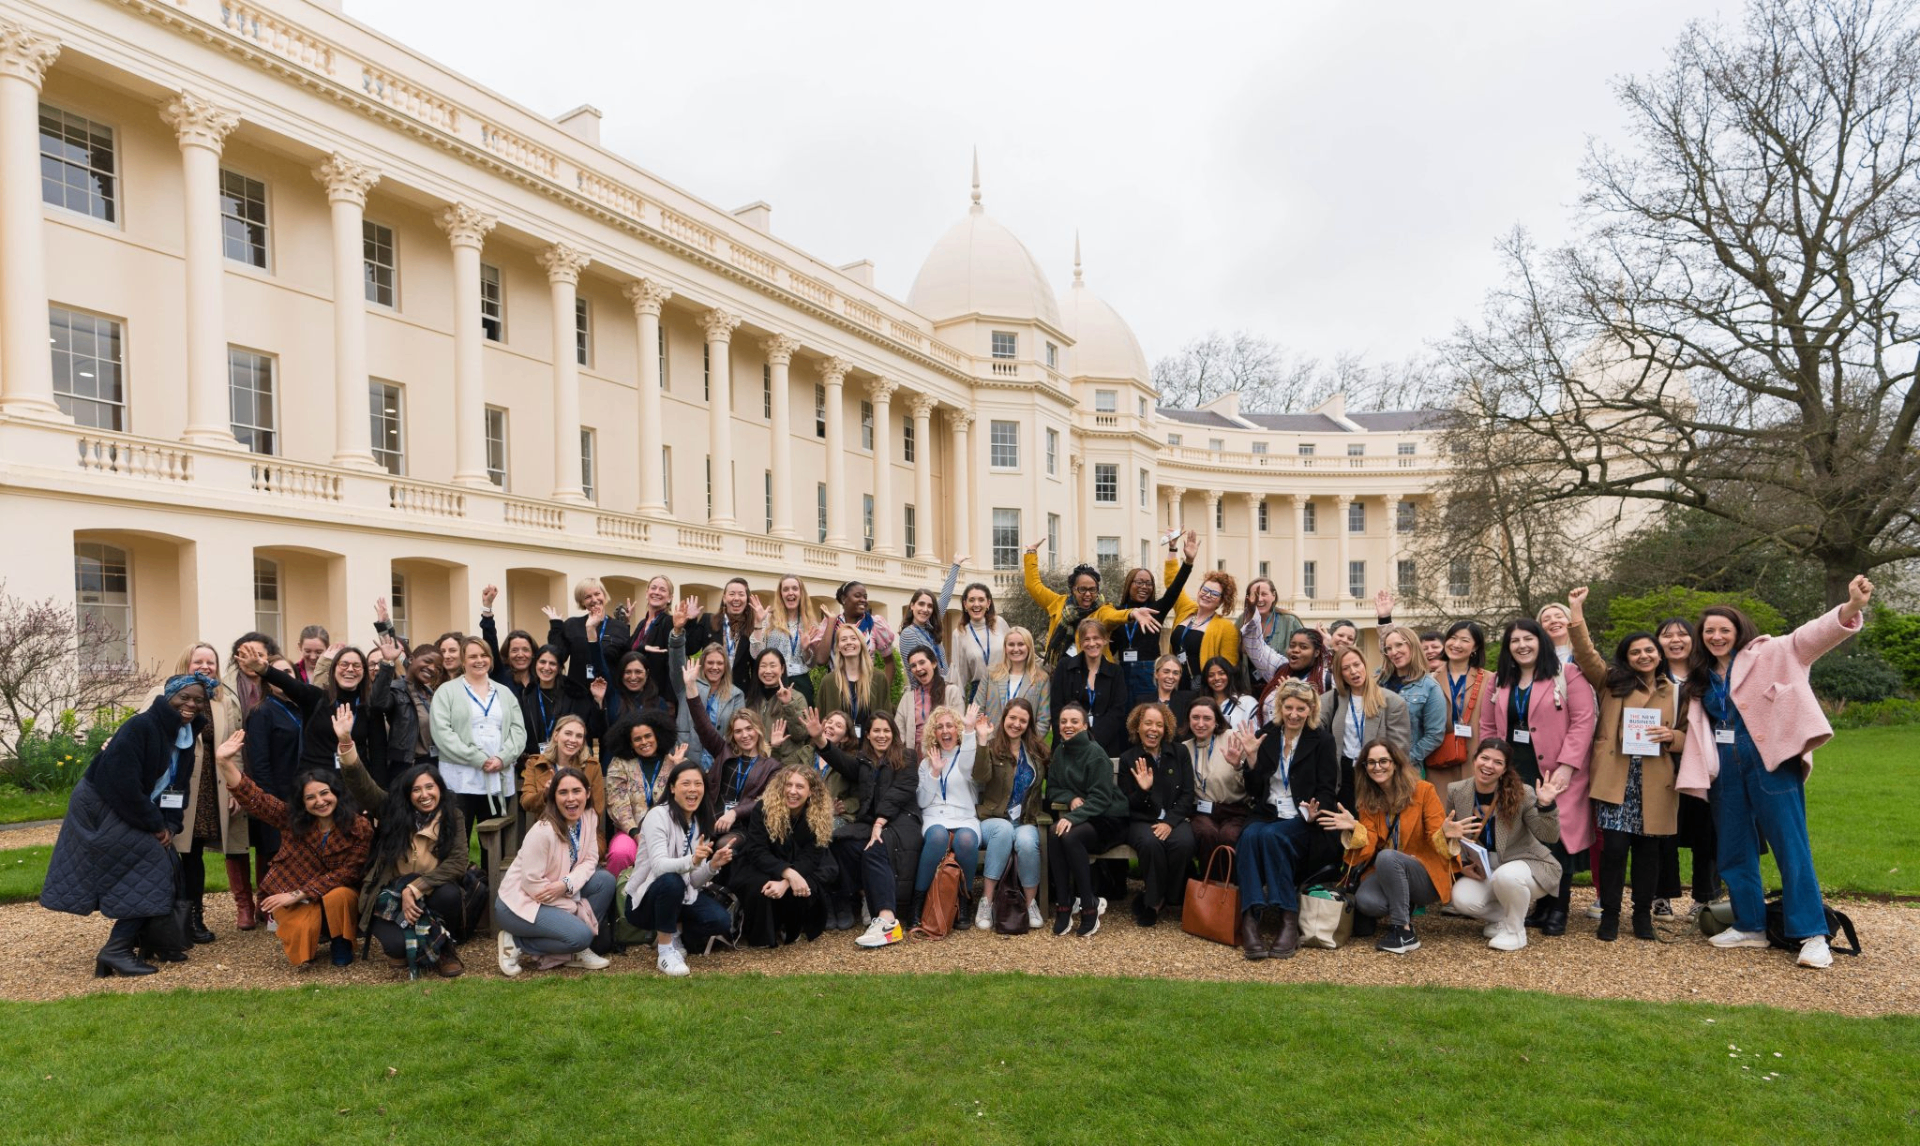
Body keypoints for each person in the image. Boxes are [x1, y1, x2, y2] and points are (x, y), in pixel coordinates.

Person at [1680, 575, 1873, 970]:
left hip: (1771, 761)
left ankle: (1812, 934)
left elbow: (1812, 637)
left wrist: (1851, 607)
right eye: (1710, 631)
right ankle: (1750, 925)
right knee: (1733, 851)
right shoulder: (1700, 678)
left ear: (1738, 631)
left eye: (1724, 629)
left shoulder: (1771, 652)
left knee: (1790, 846)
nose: (1716, 636)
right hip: (1725, 768)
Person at [44, 675, 236, 976]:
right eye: (184, 697)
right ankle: (116, 949)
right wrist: (154, 825)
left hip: (135, 806)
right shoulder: (141, 727)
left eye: (199, 700)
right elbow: (122, 784)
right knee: (151, 863)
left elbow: (178, 787)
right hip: (101, 804)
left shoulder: (185, 736)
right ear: (169, 696)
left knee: (168, 860)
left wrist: (171, 826)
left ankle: (154, 942)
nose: (191, 704)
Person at [1567, 586, 1680, 941]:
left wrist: (1671, 737)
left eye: (1649, 650)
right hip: (1617, 779)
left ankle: (1642, 917)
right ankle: (1610, 916)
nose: (1644, 656)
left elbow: (1692, 735)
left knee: (1649, 854)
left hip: (1655, 781)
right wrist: (1576, 611)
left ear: (1659, 655)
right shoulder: (1611, 682)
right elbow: (1585, 654)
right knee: (1614, 850)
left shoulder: (1676, 692)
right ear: (1626, 658)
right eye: (1636, 652)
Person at [218, 724, 372, 968]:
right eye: (310, 797)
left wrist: (297, 894)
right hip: (295, 890)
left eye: (324, 793)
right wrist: (225, 763)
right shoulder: (291, 819)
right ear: (302, 802)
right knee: (301, 945)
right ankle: (309, 943)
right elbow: (257, 800)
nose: (320, 801)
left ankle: (340, 940)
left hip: (330, 895)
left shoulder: (358, 826)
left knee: (340, 894)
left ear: (336, 793)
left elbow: (349, 872)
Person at [1479, 618, 1595, 937]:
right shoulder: (1499, 681)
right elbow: (1488, 727)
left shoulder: (1566, 674)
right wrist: (1491, 763)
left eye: (1528, 638)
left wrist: (1568, 766)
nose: (1522, 645)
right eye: (1514, 641)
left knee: (1555, 839)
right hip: (1515, 771)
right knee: (1526, 839)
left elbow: (1584, 721)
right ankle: (1539, 907)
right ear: (1507, 647)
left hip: (1555, 771)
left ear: (1541, 641)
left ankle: (1558, 909)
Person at [336, 746, 473, 978]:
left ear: (439, 789)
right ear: (408, 794)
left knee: (449, 894)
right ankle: (425, 944)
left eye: (430, 787)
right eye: (416, 790)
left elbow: (458, 862)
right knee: (397, 948)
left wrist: (415, 887)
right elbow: (363, 787)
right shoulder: (392, 810)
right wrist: (347, 745)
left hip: (433, 889)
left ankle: (444, 949)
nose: (425, 795)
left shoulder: (453, 816)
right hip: (391, 892)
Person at [1317, 739, 1454, 955]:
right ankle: (1403, 906)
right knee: (1366, 901)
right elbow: (1369, 842)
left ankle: (1403, 931)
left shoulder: (1423, 790)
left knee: (1388, 857)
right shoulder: (1368, 799)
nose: (1377, 767)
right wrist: (1355, 827)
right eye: (1370, 762)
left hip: (1423, 872)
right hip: (1388, 872)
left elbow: (1435, 834)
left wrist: (1446, 834)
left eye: (1383, 761)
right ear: (1364, 767)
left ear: (1396, 763)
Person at [1233, 679, 1338, 960]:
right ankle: (1251, 918)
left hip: (1303, 817)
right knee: (1249, 836)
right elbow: (1255, 790)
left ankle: (1287, 918)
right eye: (1288, 707)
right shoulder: (1268, 734)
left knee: (1270, 837)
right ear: (1280, 707)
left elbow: (1328, 788)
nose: (1293, 714)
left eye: (1300, 708)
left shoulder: (1322, 740)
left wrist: (1317, 810)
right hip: (1268, 812)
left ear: (1311, 709)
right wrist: (1252, 760)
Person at [1442, 738, 1567, 951]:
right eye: (1484, 758)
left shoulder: (1523, 793)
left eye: (1498, 762)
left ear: (1505, 769)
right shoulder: (1457, 791)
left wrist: (1546, 805)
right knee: (1462, 899)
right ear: (1475, 760)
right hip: (1485, 866)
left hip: (1528, 865)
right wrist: (1461, 864)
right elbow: (1451, 836)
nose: (1489, 765)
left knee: (1507, 876)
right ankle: (1504, 919)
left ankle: (1515, 932)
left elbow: (1549, 835)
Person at [810, 709, 920, 945]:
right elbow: (840, 762)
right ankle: (857, 897)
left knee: (874, 849)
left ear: (894, 733)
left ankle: (887, 921)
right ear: (868, 735)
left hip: (902, 821)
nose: (882, 735)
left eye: (886, 730)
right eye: (876, 731)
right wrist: (820, 739)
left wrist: (880, 822)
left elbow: (900, 791)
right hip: (871, 822)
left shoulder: (907, 756)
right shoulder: (864, 761)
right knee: (840, 842)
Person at [494, 767, 614, 975]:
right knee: (581, 936)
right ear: (553, 797)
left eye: (576, 791)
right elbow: (532, 885)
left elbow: (590, 859)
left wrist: (566, 885)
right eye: (563, 792)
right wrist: (573, 906)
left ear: (587, 792)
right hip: (520, 903)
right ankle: (516, 941)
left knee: (605, 881)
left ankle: (571, 949)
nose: (571, 799)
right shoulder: (544, 830)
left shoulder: (589, 817)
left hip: (556, 890)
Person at [161, 643, 243, 945]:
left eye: (211, 662)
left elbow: (235, 748)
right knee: (169, 854)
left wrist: (237, 787)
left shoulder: (222, 701)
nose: (205, 666)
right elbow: (142, 728)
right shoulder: (164, 692)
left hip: (209, 788)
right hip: (174, 784)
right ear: (186, 663)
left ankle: (193, 918)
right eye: (199, 661)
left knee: (193, 857)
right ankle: (164, 921)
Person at [625, 760, 738, 975]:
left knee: (720, 920)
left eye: (698, 784)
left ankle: (673, 930)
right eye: (686, 783)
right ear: (673, 788)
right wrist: (693, 861)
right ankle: (665, 952)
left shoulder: (699, 821)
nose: (693, 789)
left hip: (681, 896)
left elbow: (694, 881)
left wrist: (712, 866)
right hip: (643, 903)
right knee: (671, 880)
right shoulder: (657, 815)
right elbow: (659, 867)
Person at [430, 636, 528, 837]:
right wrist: (478, 759)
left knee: (493, 842)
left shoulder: (505, 692)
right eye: (472, 656)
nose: (479, 660)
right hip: (460, 778)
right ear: (463, 661)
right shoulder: (446, 691)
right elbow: (442, 733)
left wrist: (502, 758)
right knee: (457, 837)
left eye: (484, 655)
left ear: (491, 659)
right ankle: (459, 870)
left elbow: (518, 731)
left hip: (497, 774)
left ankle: (488, 870)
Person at [1045, 704, 1130, 937]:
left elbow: (1101, 798)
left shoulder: (1095, 754)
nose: (1068, 726)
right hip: (1087, 818)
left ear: (1084, 725)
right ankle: (1065, 903)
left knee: (1069, 834)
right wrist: (1070, 798)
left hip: (1111, 819)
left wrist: (1072, 817)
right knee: (1054, 833)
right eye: (1063, 721)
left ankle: (1089, 907)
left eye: (1074, 721)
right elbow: (1052, 789)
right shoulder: (1060, 752)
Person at [734, 765, 840, 947]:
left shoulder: (819, 815)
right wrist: (787, 873)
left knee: (803, 887)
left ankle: (791, 929)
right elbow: (757, 850)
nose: (792, 791)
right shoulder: (764, 808)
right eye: (788, 785)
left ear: (811, 791)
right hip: (764, 864)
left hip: (800, 866)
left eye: (800, 786)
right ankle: (762, 938)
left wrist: (786, 882)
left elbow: (812, 857)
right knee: (760, 886)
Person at [1657, 616, 1718, 915]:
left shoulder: (1707, 675)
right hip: (1659, 761)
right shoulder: (1649, 676)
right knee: (1662, 828)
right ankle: (1662, 894)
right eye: (1667, 636)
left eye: (1682, 634)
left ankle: (1705, 897)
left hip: (1703, 761)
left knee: (1705, 829)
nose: (1675, 640)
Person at [970, 700, 1048, 932]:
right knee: (1003, 831)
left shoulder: (1036, 752)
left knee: (1026, 841)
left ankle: (1029, 903)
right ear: (1004, 718)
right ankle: (987, 901)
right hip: (992, 819)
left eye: (1022, 720)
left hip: (1024, 820)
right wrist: (982, 740)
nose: (1016, 724)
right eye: (1012, 718)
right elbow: (980, 777)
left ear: (1029, 723)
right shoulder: (993, 747)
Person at [682, 656, 782, 836]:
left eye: (749, 729)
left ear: (758, 730)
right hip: (710, 818)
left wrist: (735, 812)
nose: (744, 735)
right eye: (738, 731)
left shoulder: (771, 766)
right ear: (733, 735)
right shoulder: (723, 750)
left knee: (725, 845)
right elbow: (702, 723)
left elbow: (766, 800)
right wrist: (691, 687)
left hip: (742, 826)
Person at [220, 632, 279, 929]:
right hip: (234, 769)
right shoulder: (222, 686)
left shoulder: (278, 683)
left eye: (258, 653)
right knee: (237, 841)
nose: (251, 658)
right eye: (244, 652)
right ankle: (243, 905)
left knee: (269, 842)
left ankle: (264, 902)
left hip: (268, 770)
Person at [1118, 702, 1195, 927]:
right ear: (1137, 726)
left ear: (1166, 728)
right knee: (1151, 843)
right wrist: (1144, 790)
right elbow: (1126, 803)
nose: (1153, 729)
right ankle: (1153, 902)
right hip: (1141, 819)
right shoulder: (1128, 758)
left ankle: (1169, 896)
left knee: (1184, 843)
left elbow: (1188, 794)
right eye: (1148, 723)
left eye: (1159, 725)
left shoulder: (1179, 752)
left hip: (1174, 817)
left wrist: (1170, 822)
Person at [910, 704, 983, 929]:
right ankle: (918, 903)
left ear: (957, 730)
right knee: (937, 837)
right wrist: (934, 772)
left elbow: (970, 767)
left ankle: (964, 901)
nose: (944, 730)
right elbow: (922, 801)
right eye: (939, 726)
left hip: (964, 816)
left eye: (950, 725)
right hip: (935, 817)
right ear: (934, 732)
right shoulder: (925, 762)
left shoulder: (965, 756)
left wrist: (970, 729)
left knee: (967, 840)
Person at [1107, 532, 1198, 706]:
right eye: (1139, 582)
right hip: (1123, 675)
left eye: (1148, 583)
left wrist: (1186, 561)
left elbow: (1175, 588)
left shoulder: (1156, 609)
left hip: (1149, 675)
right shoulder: (1117, 613)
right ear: (1129, 584)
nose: (1144, 587)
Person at [300, 641, 398, 787]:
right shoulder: (322, 698)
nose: (376, 668)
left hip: (357, 780)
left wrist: (379, 797)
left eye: (357, 665)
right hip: (320, 779)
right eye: (372, 664)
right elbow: (310, 686)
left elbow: (378, 755)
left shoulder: (376, 701)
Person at [1320, 647, 1413, 802]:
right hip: (1343, 773)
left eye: (1357, 664)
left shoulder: (1393, 702)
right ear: (1339, 673)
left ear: (1365, 664)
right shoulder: (1330, 700)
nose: (1353, 671)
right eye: (1346, 668)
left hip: (1377, 771)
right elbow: (1314, 727)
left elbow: (1399, 749)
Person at [602, 713, 686, 876]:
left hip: (668, 831)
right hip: (631, 832)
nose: (644, 742)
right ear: (630, 744)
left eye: (648, 736)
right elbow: (617, 803)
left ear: (657, 736)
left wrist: (679, 768)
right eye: (637, 739)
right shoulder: (619, 763)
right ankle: (615, 898)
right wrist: (635, 834)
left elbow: (687, 800)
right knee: (620, 853)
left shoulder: (674, 761)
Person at [671, 596, 745, 773]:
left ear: (725, 667)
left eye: (720, 663)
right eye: (710, 663)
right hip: (687, 761)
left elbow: (738, 731)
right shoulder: (688, 685)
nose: (715, 667)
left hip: (720, 764)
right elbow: (676, 662)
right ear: (703, 664)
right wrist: (677, 633)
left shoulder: (736, 695)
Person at [518, 714, 607, 849]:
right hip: (547, 834)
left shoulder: (592, 766)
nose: (573, 740)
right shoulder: (536, 764)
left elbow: (597, 810)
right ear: (556, 735)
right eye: (568, 733)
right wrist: (546, 793)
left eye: (579, 736)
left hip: (583, 835)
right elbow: (526, 802)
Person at [1426, 620, 1492, 793]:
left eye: (1464, 640)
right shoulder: (1429, 679)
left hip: (1477, 759)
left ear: (1475, 647)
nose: (1456, 644)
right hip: (1440, 758)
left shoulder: (1490, 680)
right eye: (1453, 638)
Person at [1184, 695, 1247, 871]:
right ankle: (1208, 887)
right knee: (1206, 834)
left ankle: (1229, 890)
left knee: (1229, 836)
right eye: (1195, 718)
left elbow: (1251, 784)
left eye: (1207, 718)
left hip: (1234, 810)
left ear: (1217, 721)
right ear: (1188, 720)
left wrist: (1237, 766)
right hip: (1201, 811)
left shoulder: (1234, 739)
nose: (1200, 723)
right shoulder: (1185, 748)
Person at [1049, 618, 1128, 755]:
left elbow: (1117, 711)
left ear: (1104, 640)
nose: (1092, 643)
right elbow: (1057, 706)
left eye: (1096, 638)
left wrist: (1092, 741)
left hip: (1103, 747)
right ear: (1080, 643)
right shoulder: (1064, 667)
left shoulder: (1116, 672)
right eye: (1086, 639)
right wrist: (1072, 738)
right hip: (1068, 743)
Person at [1377, 624, 1446, 774]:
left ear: (1413, 645)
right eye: (1388, 648)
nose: (1394, 652)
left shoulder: (1429, 686)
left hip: (1406, 769)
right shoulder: (1378, 681)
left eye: (1399, 645)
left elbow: (1434, 735)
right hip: (1374, 765)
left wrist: (1405, 759)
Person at [543, 577, 629, 687]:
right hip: (577, 694)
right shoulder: (572, 624)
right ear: (582, 602)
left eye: (597, 594)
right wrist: (556, 626)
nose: (594, 599)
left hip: (610, 693)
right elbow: (557, 656)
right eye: (587, 597)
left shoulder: (620, 627)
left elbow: (626, 662)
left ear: (604, 595)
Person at [520, 645, 603, 759]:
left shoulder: (575, 694)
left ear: (559, 667)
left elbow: (594, 729)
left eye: (552, 664)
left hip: (570, 763)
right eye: (542, 662)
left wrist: (598, 701)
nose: (546, 667)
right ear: (535, 664)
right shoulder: (528, 695)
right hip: (537, 763)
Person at [815, 618, 890, 741]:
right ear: (838, 647)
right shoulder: (828, 682)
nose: (849, 642)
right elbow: (822, 720)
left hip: (871, 749)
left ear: (861, 644)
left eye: (853, 639)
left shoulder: (878, 678)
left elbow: (886, 717)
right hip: (838, 750)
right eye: (843, 640)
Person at [808, 581, 897, 683]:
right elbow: (820, 660)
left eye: (865, 597)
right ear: (843, 599)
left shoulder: (874, 624)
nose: (863, 600)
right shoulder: (831, 622)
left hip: (866, 689)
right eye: (857, 596)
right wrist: (831, 622)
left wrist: (883, 692)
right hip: (837, 687)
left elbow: (889, 663)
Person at [1169, 569, 1243, 690]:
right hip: (1175, 685)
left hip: (1203, 689)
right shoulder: (1186, 610)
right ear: (1199, 590)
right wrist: (1174, 551)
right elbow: (1173, 582)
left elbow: (1228, 668)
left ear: (1221, 600)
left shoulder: (1226, 627)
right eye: (1205, 590)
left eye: (1214, 593)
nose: (1207, 595)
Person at [740, 648, 812, 770]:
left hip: (786, 766)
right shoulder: (750, 700)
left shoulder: (796, 697)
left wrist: (788, 705)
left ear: (782, 669)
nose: (768, 671)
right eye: (763, 666)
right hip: (755, 766)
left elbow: (801, 734)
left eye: (773, 666)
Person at [979, 625, 1050, 743]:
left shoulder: (1041, 679)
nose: (1016, 649)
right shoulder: (991, 674)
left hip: (1024, 747)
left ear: (1029, 647)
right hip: (992, 742)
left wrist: (1027, 745)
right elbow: (978, 710)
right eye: (1011, 644)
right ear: (1005, 648)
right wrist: (985, 737)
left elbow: (1044, 720)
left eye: (1021, 644)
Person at [946, 574, 1008, 707]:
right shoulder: (959, 633)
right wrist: (957, 708)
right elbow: (959, 676)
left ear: (988, 603)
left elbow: (1018, 651)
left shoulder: (1000, 623)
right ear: (965, 604)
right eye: (972, 600)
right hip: (978, 693)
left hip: (1005, 688)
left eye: (981, 600)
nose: (976, 604)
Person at [595, 650, 671, 758]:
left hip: (648, 764)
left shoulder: (659, 703)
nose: (633, 677)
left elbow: (664, 738)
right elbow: (600, 668)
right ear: (621, 674)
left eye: (638, 672)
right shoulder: (613, 697)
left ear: (647, 673)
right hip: (615, 763)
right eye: (628, 672)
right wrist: (592, 638)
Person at [758, 574, 821, 702]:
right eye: (785, 589)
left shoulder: (811, 623)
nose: (790, 593)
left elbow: (812, 663)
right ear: (780, 594)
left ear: (801, 593)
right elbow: (756, 654)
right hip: (772, 681)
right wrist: (757, 625)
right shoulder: (768, 620)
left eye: (794, 588)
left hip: (800, 682)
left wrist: (806, 649)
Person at [896, 560, 961, 679]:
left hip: (944, 688)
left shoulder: (930, 627)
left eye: (930, 606)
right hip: (928, 693)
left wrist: (956, 565)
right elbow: (914, 673)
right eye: (921, 604)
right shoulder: (909, 634)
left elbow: (945, 597)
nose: (925, 609)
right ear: (912, 606)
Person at [1240, 576, 1304, 688]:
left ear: (1273, 596)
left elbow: (1304, 654)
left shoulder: (1290, 621)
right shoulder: (1241, 622)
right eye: (1255, 595)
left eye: (1264, 594)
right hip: (1249, 689)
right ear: (1248, 598)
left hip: (1283, 687)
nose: (1259, 599)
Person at [477, 583, 538, 700]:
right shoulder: (500, 673)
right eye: (514, 650)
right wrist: (487, 607)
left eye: (525, 650)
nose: (520, 655)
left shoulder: (540, 678)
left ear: (533, 653)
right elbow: (490, 641)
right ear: (507, 654)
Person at [1250, 626, 1334, 712]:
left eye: (1303, 647)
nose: (1295, 650)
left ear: (1316, 652)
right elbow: (1255, 646)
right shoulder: (1280, 669)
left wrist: (1292, 693)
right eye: (1292, 646)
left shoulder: (1326, 679)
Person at [897, 646, 962, 749]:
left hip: (945, 755)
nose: (918, 668)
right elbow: (899, 732)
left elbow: (959, 728)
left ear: (934, 663)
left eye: (922, 662)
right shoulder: (907, 697)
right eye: (913, 666)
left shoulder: (951, 692)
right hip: (915, 758)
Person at [397, 643, 443, 767]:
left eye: (438, 668)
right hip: (410, 765)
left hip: (435, 762)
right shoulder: (397, 691)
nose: (433, 669)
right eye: (428, 661)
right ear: (411, 659)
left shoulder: (433, 696)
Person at [1197, 656, 1258, 730]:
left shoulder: (1247, 702)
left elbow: (1256, 733)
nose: (1216, 678)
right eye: (1211, 675)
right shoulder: (1200, 705)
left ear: (1229, 675)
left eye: (1221, 673)